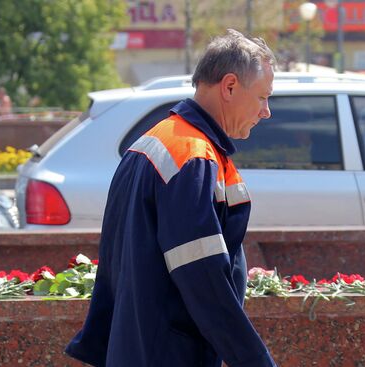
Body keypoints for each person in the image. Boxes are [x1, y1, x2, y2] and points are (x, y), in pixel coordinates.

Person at [65, 29, 277, 367]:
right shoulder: (194, 157)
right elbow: (203, 279)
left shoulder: (154, 142)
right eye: (263, 97)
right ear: (230, 86)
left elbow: (116, 266)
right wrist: (255, 360)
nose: (266, 111)